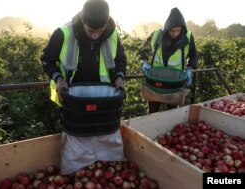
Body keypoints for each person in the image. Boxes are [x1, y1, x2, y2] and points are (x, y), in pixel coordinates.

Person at [40, 0, 127, 175]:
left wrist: (119, 76)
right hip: (73, 98)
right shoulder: (63, 33)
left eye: (99, 31)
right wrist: (58, 79)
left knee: (104, 132)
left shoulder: (111, 34)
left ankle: (103, 167)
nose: (95, 36)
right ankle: (75, 170)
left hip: (103, 97)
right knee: (75, 134)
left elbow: (121, 60)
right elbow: (46, 59)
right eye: (91, 31)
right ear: (82, 19)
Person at [140, 7, 198, 114]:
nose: (175, 34)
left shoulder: (188, 37)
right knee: (152, 113)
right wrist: (144, 62)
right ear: (167, 28)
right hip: (156, 81)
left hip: (174, 83)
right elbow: (144, 49)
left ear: (182, 29)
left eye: (178, 31)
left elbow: (193, 55)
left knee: (171, 114)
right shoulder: (157, 35)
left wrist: (189, 70)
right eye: (172, 31)